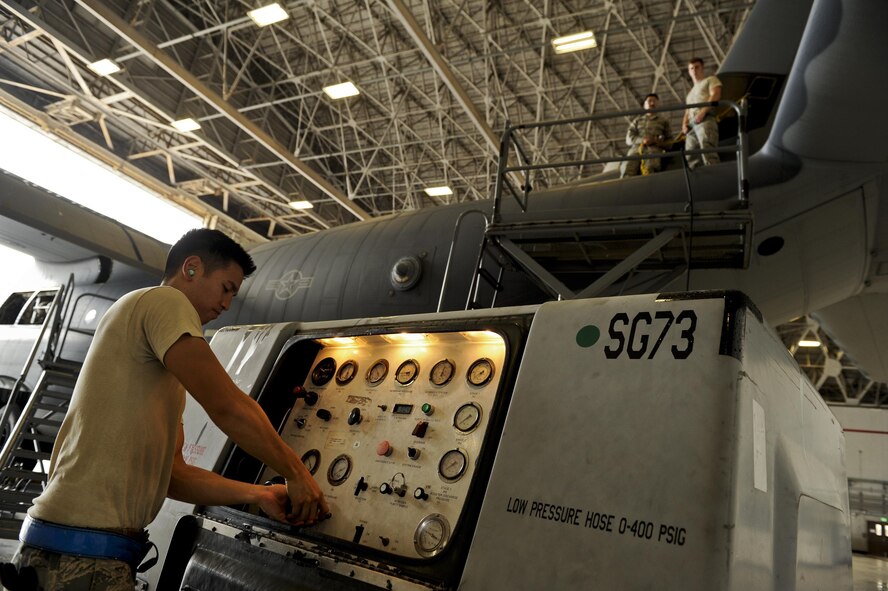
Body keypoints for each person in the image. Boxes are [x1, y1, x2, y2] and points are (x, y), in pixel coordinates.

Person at [2, 229, 330, 591]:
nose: (226, 306)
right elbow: (228, 405)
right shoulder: (164, 302)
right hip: (85, 558)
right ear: (191, 269)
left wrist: (259, 494)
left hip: (69, 554)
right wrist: (296, 473)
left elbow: (173, 476)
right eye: (226, 288)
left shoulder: (154, 360)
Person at [681, 57, 722, 169]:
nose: (694, 70)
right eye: (691, 68)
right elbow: (687, 111)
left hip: (705, 119)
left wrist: (703, 112)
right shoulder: (690, 93)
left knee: (707, 149)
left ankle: (715, 177)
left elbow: (715, 95)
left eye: (697, 67)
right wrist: (684, 124)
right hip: (691, 126)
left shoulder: (710, 80)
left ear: (702, 68)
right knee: (691, 155)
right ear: (689, 72)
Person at [620, 93, 672, 178]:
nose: (652, 103)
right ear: (644, 105)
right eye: (649, 101)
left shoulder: (663, 121)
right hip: (636, 149)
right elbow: (629, 138)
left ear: (658, 104)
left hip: (654, 150)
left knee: (651, 170)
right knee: (627, 168)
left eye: (654, 101)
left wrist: (658, 142)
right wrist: (643, 140)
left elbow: (670, 142)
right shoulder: (637, 121)